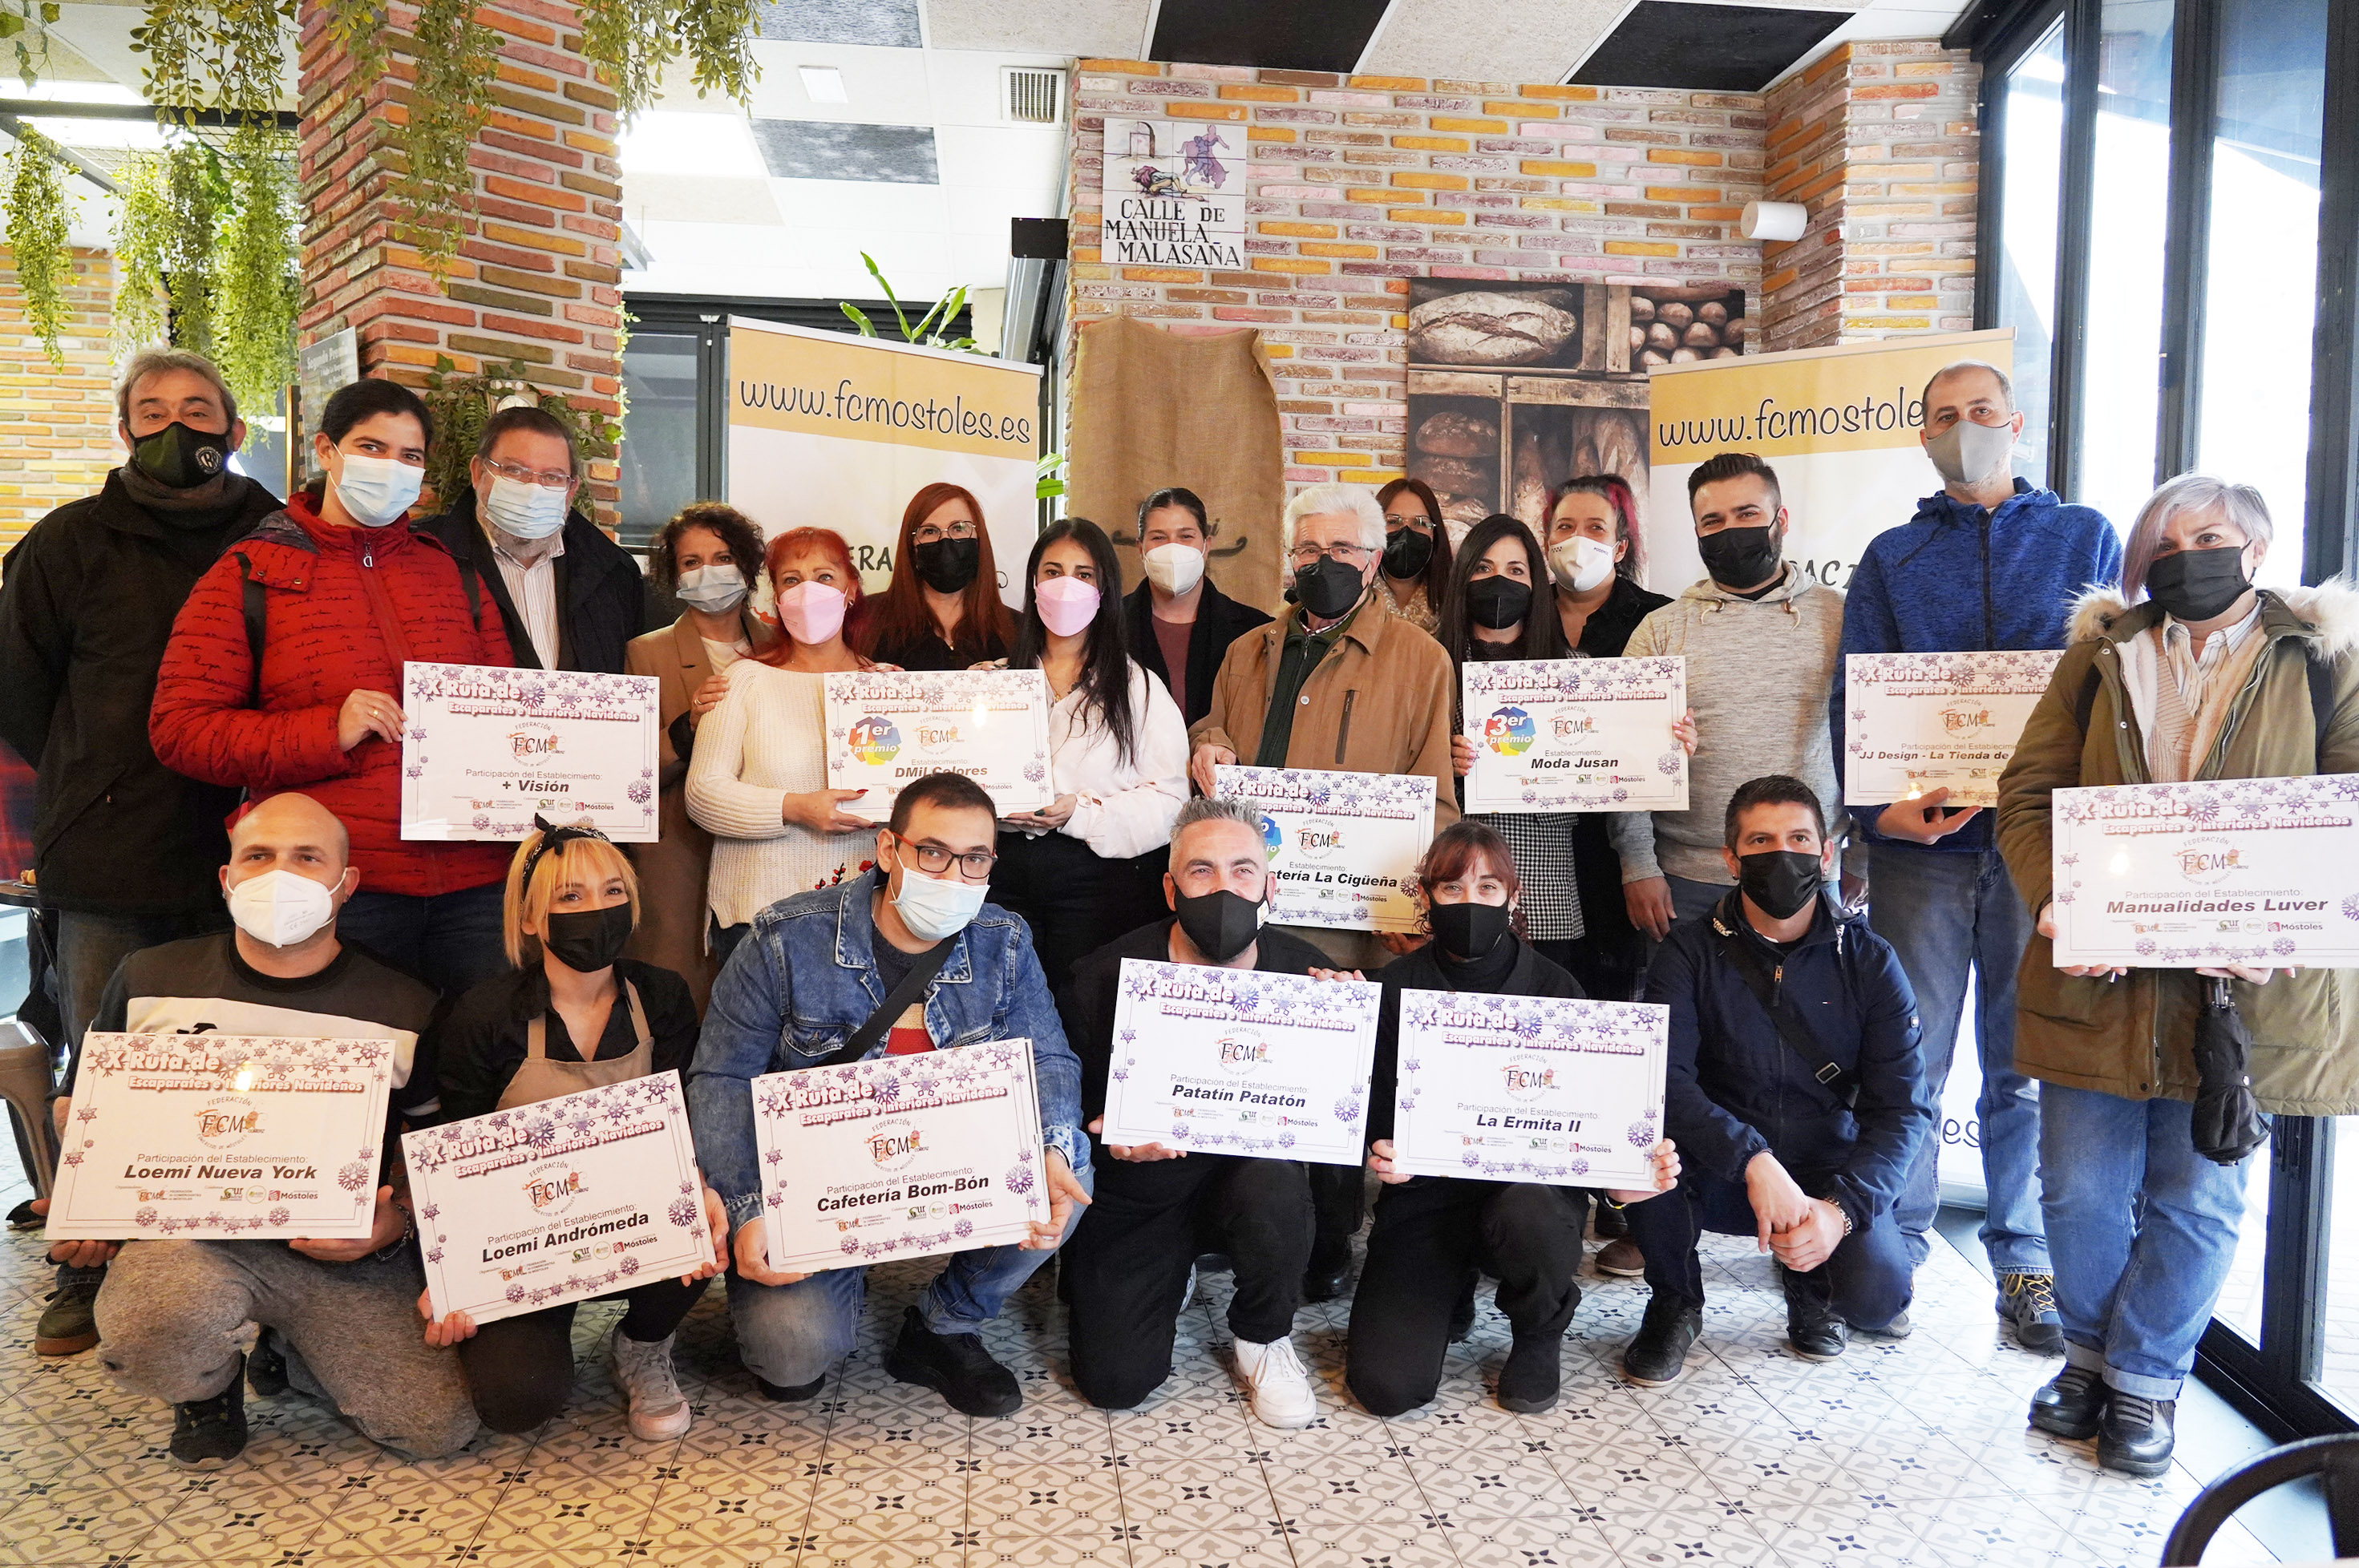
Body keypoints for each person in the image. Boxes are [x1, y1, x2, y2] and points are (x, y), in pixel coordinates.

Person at [1997, 475, 2359, 1476]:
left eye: (2205, 536)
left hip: (2239, 989)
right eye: (2162, 542)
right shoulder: (2099, 656)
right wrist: (2052, 898)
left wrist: (2284, 918)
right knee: (2075, 1189)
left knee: (2197, 1197)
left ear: (2256, 546)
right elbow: (2026, 792)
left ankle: (2144, 1382)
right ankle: (2084, 1359)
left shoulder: (2322, 658)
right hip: (2097, 976)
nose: (2181, 556)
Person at [1835, 360, 2122, 1356]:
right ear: (1921, 436)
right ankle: (1894, 1245)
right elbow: (1856, 689)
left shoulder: (2083, 536)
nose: (1964, 428)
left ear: (2016, 422)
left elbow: (2108, 685)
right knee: (1906, 1051)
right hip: (1922, 848)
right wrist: (1874, 812)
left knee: (2023, 1060)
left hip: (2039, 847)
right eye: (1943, 417)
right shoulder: (1891, 555)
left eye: (1980, 412)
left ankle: (2024, 1261)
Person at [0, 347, 280, 1357]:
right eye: (152, 410)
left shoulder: (279, 538)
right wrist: (98, 773)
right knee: (107, 1060)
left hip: (257, 847)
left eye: (197, 409)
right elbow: (21, 694)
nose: (175, 427)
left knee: (255, 1060)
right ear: (123, 430)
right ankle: (89, 1260)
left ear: (233, 431)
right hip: (110, 848)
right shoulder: (68, 543)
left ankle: (248, 1261)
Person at [72, 794, 476, 1467]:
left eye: (307, 858)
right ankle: (208, 1387)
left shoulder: (407, 1003)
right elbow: (83, 1110)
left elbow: (437, 1150)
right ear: (227, 878)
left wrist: (397, 1221)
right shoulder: (148, 978)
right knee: (152, 1331)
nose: (280, 875)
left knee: (436, 1428)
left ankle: (291, 1352)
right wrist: (87, 1209)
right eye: (258, 856)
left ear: (346, 884)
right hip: (192, 1243)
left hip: (339, 1254)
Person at [686, 771, 1091, 1418]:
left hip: (950, 1171)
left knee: (1067, 1167)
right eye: (932, 853)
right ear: (887, 849)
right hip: (820, 1188)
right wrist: (748, 1206)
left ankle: (944, 1324)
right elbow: (721, 1076)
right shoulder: (785, 940)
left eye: (975, 859)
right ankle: (839, 1282)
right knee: (791, 1356)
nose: (953, 875)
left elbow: (1047, 1058)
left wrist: (1052, 1147)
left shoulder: (1005, 940)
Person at [148, 378, 516, 1002]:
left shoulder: (453, 574)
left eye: (410, 455)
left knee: (478, 1056)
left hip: (476, 888)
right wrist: (327, 731)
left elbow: (506, 714)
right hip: (336, 888)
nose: (391, 467)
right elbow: (181, 730)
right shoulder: (250, 572)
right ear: (326, 450)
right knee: (354, 1056)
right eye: (372, 447)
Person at [1185, 480, 1459, 1299]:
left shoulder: (1421, 661)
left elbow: (1436, 799)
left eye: (1341, 549)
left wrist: (1414, 907)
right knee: (1247, 1072)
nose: (1323, 563)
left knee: (1337, 1085)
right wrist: (1208, 743)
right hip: (1248, 913)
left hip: (1350, 923)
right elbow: (1213, 732)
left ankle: (1330, 1240)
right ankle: (1240, 1226)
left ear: (1373, 560)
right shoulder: (1247, 652)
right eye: (1308, 549)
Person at [1346, 821, 1680, 1418]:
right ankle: (1449, 1289)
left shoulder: (1557, 988)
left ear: (1513, 897)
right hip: (1425, 1197)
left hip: (1528, 1196)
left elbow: (1593, 1119)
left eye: (1488, 887)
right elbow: (1368, 1107)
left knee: (1528, 1210)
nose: (1470, 902)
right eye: (1452, 888)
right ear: (1425, 896)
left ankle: (1538, 1330)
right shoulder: (1394, 987)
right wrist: (1381, 1148)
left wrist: (1620, 1183)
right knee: (1386, 1388)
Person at [1620, 775, 1932, 1388]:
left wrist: (1842, 1212)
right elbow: (1664, 1082)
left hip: (1824, 1172)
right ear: (1731, 860)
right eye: (1761, 841)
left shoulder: (1870, 961)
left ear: (1826, 853)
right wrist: (1753, 1159)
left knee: (1877, 1297)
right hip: (1718, 1167)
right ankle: (1675, 1301)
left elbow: (1904, 1109)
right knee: (1643, 1145)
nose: (1781, 854)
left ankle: (1810, 1280)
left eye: (1798, 839)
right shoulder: (1687, 953)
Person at [422, 822, 729, 1440]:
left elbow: (683, 1125)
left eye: (613, 891)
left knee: (702, 1226)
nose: (597, 909)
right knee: (515, 1401)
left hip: (632, 1223)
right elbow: (453, 1162)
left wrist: (701, 1188)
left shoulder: (662, 997)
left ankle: (643, 1343)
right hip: (525, 1238)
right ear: (530, 917)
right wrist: (449, 1273)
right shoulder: (483, 1016)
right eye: (571, 896)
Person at [1055, 796, 1326, 1425]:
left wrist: (1350, 1030)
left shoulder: (1312, 979)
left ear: (1269, 887)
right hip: (1142, 1188)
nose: (1224, 888)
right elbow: (1069, 1107)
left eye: (1243, 870)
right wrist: (1106, 1135)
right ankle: (1171, 1270)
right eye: (1201, 871)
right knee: (1114, 1383)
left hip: (1252, 1183)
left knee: (1275, 1187)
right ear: (1170, 889)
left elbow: (1337, 1122)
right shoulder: (1101, 978)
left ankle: (1264, 1335)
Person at [1612, 453, 1847, 944]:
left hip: (1809, 872)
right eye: (1713, 521)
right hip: (1686, 880)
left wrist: (1859, 856)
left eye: (1747, 514)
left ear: (1781, 519)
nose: (1731, 531)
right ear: (1697, 532)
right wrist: (1637, 865)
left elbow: (1867, 738)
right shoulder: (1660, 630)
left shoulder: (1841, 617)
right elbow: (1625, 759)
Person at [989, 518, 1188, 992]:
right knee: (997, 1002)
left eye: (1083, 574)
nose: (1066, 586)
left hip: (1096, 885)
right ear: (1033, 583)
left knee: (1078, 1005)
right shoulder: (992, 681)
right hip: (997, 872)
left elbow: (1170, 801)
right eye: (1052, 571)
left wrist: (1080, 814)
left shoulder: (1139, 688)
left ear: (1104, 590)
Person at [685, 527, 877, 969]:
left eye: (824, 577)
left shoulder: (885, 685)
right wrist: (795, 808)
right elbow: (701, 794)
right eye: (792, 580)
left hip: (860, 917)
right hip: (756, 917)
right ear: (777, 598)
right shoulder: (743, 680)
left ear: (850, 590)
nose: (808, 591)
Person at [624, 503, 779, 1013]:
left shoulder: (782, 647)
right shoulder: (645, 653)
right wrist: (686, 729)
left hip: (768, 854)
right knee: (681, 1001)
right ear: (673, 575)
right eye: (691, 562)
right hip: (680, 858)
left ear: (748, 565)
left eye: (722, 557)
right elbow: (629, 772)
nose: (708, 572)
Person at [1542, 475, 1672, 1008]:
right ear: (1547, 541)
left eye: (1596, 528)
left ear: (1620, 547)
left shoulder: (1659, 620)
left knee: (1614, 997)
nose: (1578, 540)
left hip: (1627, 847)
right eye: (1564, 527)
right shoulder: (1520, 615)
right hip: (1537, 842)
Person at [416, 404, 647, 673]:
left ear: (571, 489)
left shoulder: (615, 573)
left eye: (552, 477)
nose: (533, 489)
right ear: (478, 473)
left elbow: (632, 677)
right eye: (514, 470)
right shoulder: (422, 554)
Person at [1121, 487, 1271, 729]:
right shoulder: (1107, 625)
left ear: (1206, 545)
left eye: (1186, 537)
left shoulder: (1255, 630)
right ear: (1141, 548)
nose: (1173, 549)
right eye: (1159, 538)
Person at [861, 482, 1018, 671]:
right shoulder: (867, 620)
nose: (945, 541)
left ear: (979, 539)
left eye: (959, 528)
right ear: (911, 546)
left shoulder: (1016, 629)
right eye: (929, 531)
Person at [1374, 477, 1451, 636]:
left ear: (1435, 533)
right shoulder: (1354, 599)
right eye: (1393, 521)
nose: (1406, 532)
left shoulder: (1454, 601)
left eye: (1420, 523)